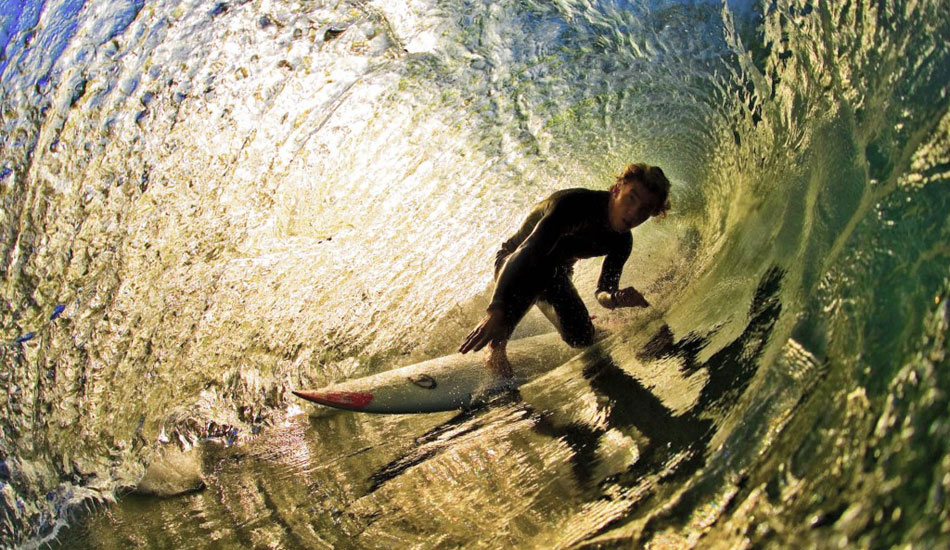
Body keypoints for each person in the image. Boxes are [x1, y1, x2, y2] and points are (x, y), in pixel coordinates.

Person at [458, 162, 672, 379]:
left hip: (555, 275)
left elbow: (603, 292)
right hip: (513, 261)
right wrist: (496, 309)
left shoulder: (622, 242)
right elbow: (529, 251)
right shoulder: (574, 204)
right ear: (617, 189)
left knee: (582, 338)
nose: (634, 213)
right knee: (541, 266)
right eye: (631, 198)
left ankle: (591, 323)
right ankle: (496, 345)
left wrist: (616, 298)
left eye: (645, 209)